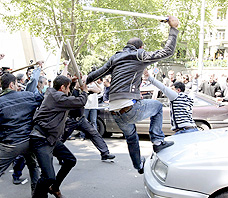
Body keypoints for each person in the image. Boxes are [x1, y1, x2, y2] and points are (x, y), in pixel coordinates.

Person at [86, 16, 179, 174]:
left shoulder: (115, 58)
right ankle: (157, 141)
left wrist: (83, 81)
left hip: (114, 111)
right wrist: (174, 28)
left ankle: (138, 165)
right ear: (140, 47)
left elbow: (97, 74)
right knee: (157, 107)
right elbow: (167, 51)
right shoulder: (139, 54)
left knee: (131, 136)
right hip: (128, 108)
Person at [0, 71, 43, 198]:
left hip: (8, 144)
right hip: (28, 140)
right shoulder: (28, 96)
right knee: (34, 167)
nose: (19, 85)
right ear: (12, 84)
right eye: (17, 83)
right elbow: (43, 99)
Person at [27, 75, 88, 198]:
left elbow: (75, 106)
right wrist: (84, 91)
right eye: (67, 88)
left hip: (52, 139)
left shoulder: (56, 94)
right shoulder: (56, 97)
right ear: (62, 88)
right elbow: (80, 101)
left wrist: (72, 86)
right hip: (41, 139)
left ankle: (54, 188)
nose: (68, 91)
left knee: (70, 160)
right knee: (48, 176)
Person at [60, 80, 115, 161]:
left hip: (81, 119)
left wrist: (87, 89)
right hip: (71, 120)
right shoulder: (70, 91)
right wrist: (78, 88)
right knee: (62, 138)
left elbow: (99, 90)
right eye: (80, 81)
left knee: (94, 133)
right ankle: (58, 154)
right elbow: (76, 101)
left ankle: (105, 153)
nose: (82, 82)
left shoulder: (84, 91)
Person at [144, 70, 198, 135]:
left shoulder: (175, 96)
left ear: (178, 90)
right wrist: (195, 79)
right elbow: (194, 90)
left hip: (183, 130)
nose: (171, 90)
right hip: (193, 128)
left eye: (172, 89)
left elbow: (163, 88)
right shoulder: (189, 97)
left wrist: (149, 78)